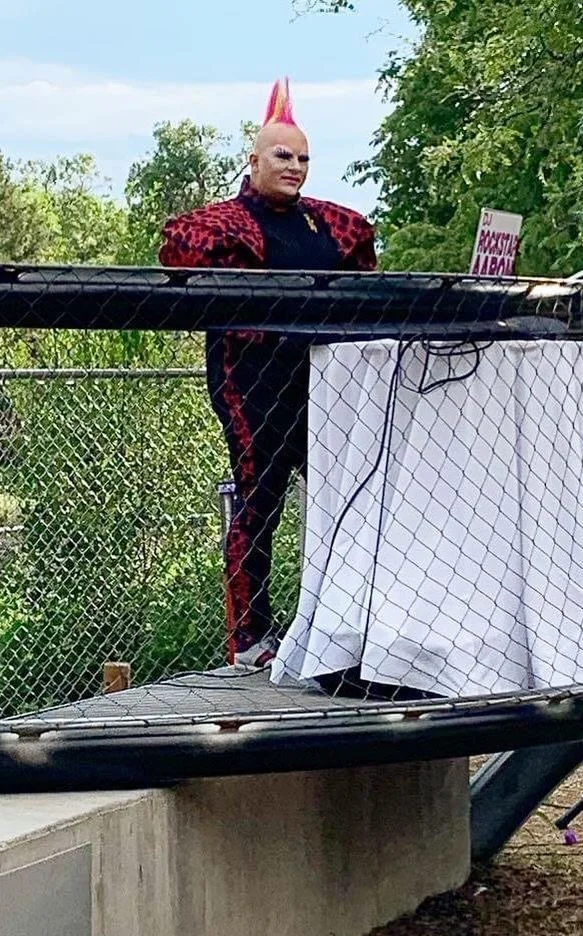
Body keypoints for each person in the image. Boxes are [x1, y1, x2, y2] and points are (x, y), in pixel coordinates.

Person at [158, 78, 377, 667]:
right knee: (261, 501)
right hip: (251, 380)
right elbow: (177, 245)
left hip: (326, 382)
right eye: (283, 155)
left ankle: (344, 625)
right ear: (252, 161)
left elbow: (364, 257)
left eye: (304, 157)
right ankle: (249, 637)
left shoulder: (324, 224)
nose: (296, 166)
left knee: (348, 501)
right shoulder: (228, 221)